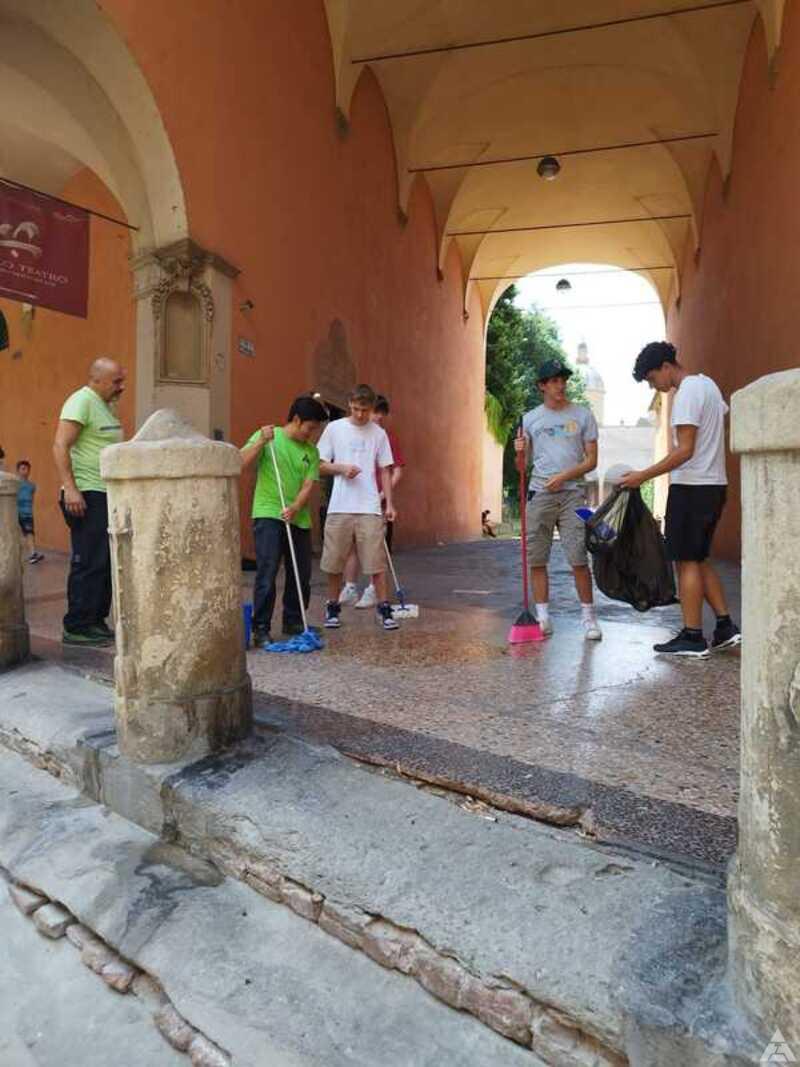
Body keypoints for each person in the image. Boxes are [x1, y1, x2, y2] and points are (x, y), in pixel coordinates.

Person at [620, 341, 740, 658]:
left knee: (685, 560)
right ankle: (726, 626)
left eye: (651, 379)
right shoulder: (709, 386)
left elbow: (684, 450)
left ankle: (692, 635)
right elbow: (723, 421)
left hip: (692, 487)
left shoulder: (685, 393)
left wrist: (642, 475)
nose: (654, 386)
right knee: (698, 558)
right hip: (714, 484)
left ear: (666, 367)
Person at [514, 358, 602, 641]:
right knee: (537, 558)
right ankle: (543, 617)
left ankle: (589, 619)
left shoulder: (583, 415)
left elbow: (592, 461)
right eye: (553, 381)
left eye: (562, 380)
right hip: (540, 494)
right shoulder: (529, 420)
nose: (560, 385)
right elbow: (521, 468)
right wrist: (519, 451)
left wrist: (565, 476)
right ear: (542, 386)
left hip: (573, 494)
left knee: (578, 556)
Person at [240, 394, 328, 647]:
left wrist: (296, 506)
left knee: (301, 573)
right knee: (267, 571)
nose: (311, 434)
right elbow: (240, 462)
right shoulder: (270, 437)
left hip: (297, 517)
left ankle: (294, 620)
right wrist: (260, 443)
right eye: (310, 428)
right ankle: (261, 627)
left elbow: (309, 484)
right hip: (268, 512)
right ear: (297, 420)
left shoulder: (311, 450)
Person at [53, 357, 125, 646]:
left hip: (105, 493)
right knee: (88, 560)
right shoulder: (80, 401)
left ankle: (95, 620)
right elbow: (60, 444)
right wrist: (71, 489)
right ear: (97, 379)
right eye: (116, 381)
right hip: (86, 493)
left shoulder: (106, 406)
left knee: (103, 561)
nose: (121, 387)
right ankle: (76, 625)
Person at [317, 384, 399, 631]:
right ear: (349, 406)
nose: (360, 415)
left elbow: (385, 469)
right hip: (340, 505)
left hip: (370, 506)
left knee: (376, 562)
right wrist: (341, 468)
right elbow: (319, 465)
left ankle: (384, 609)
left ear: (371, 408)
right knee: (334, 561)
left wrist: (390, 503)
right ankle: (332, 607)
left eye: (364, 410)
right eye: (355, 409)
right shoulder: (334, 429)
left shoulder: (379, 434)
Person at [340, 393, 406, 609]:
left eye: (381, 414)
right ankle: (349, 587)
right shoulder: (353, 434)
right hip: (354, 498)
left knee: (375, 548)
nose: (377, 417)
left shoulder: (385, 437)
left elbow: (396, 471)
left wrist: (384, 497)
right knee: (351, 545)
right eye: (375, 413)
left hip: (376, 500)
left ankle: (372, 589)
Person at [15, 460, 44, 563]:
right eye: (23, 469)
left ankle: (32, 554)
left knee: (29, 533)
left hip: (27, 514)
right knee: (15, 534)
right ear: (18, 470)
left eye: (27, 469)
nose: (25, 471)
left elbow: (31, 499)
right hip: (14, 513)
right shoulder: (14, 484)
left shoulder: (32, 486)